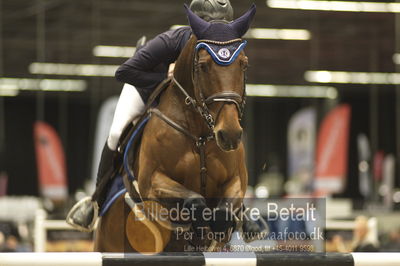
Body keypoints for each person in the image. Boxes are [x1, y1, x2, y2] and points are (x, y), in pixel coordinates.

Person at [66, 0, 235, 232]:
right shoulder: (172, 40)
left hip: (182, 103)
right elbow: (124, 71)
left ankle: (240, 210)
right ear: (194, 26)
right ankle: (95, 201)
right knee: (116, 133)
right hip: (145, 89)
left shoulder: (221, 51)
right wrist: (166, 77)